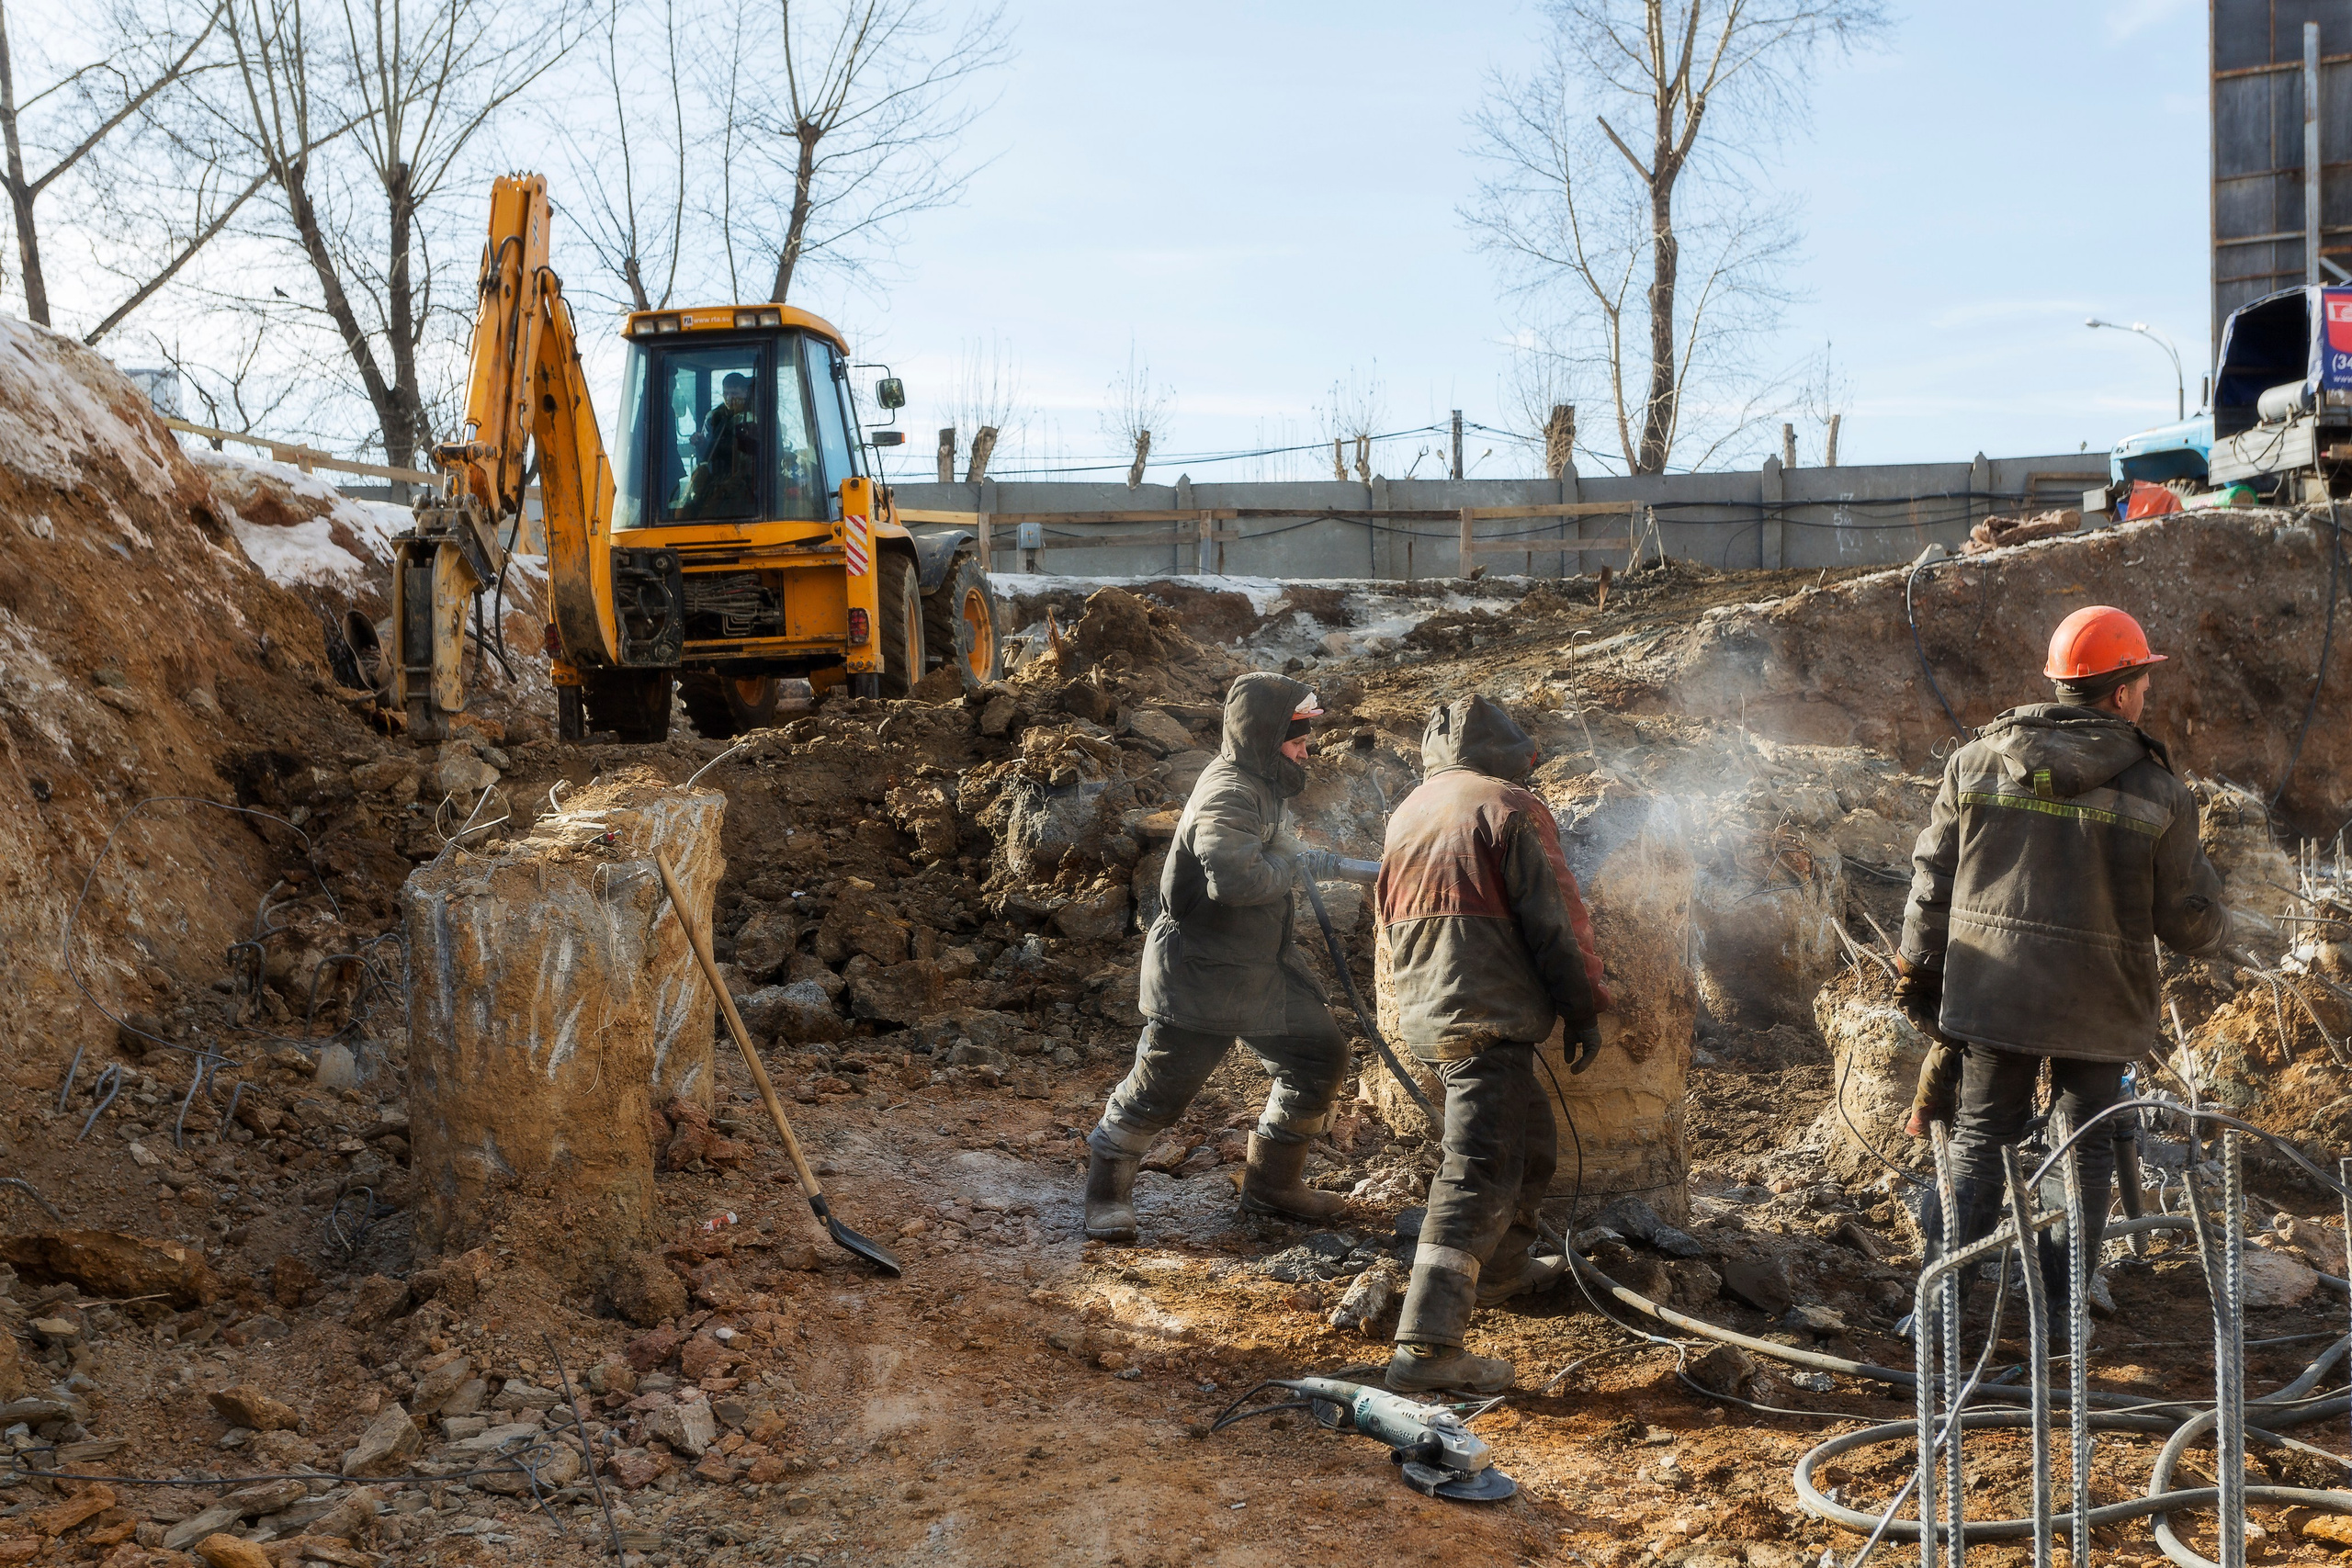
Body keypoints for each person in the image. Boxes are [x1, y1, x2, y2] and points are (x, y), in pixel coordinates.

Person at [1898, 604, 2230, 1316]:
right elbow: (2186, 921)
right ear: (2119, 693)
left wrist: (1920, 973)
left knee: (1981, 1141)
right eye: (2142, 681)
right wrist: (2215, 914)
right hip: (2101, 1006)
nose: (2146, 695)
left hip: (1995, 993)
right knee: (2082, 1148)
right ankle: (2060, 1314)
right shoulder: (2160, 791)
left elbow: (1933, 879)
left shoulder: (1975, 762)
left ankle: (1940, 1314)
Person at [1376, 694, 1609, 1393]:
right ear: (1508, 750)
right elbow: (1557, 920)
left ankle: (1502, 1269)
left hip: (1432, 1010)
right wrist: (1584, 1005)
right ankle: (1426, 1345)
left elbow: (1387, 912)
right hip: (1486, 1011)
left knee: (1529, 1135)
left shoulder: (1410, 808)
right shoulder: (1507, 806)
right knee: (1475, 1170)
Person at [1081, 673, 1358, 1242]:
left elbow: (1267, 852)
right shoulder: (1229, 789)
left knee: (1317, 1058)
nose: (1306, 749)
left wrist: (1311, 860)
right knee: (1160, 1088)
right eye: (1297, 737)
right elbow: (1234, 879)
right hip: (1202, 973)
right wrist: (1294, 868)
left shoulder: (1261, 783)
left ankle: (1272, 1185)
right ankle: (1105, 1194)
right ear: (1264, 735)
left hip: (1260, 968)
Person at [683, 371, 760, 517]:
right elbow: (706, 456)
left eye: (735, 393)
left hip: (746, 481)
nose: (730, 398)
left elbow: (749, 458)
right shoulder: (714, 416)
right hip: (716, 478)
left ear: (745, 392)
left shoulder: (752, 418)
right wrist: (700, 443)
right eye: (726, 393)